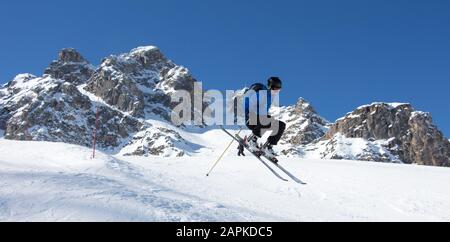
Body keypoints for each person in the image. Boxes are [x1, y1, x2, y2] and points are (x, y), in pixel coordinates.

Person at [242, 77, 286, 159]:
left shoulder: (269, 97)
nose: (276, 91)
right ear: (270, 86)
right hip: (250, 118)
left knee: (281, 125)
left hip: (259, 121)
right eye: (275, 88)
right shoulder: (261, 92)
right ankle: (251, 139)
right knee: (268, 120)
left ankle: (268, 147)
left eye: (279, 89)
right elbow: (248, 102)